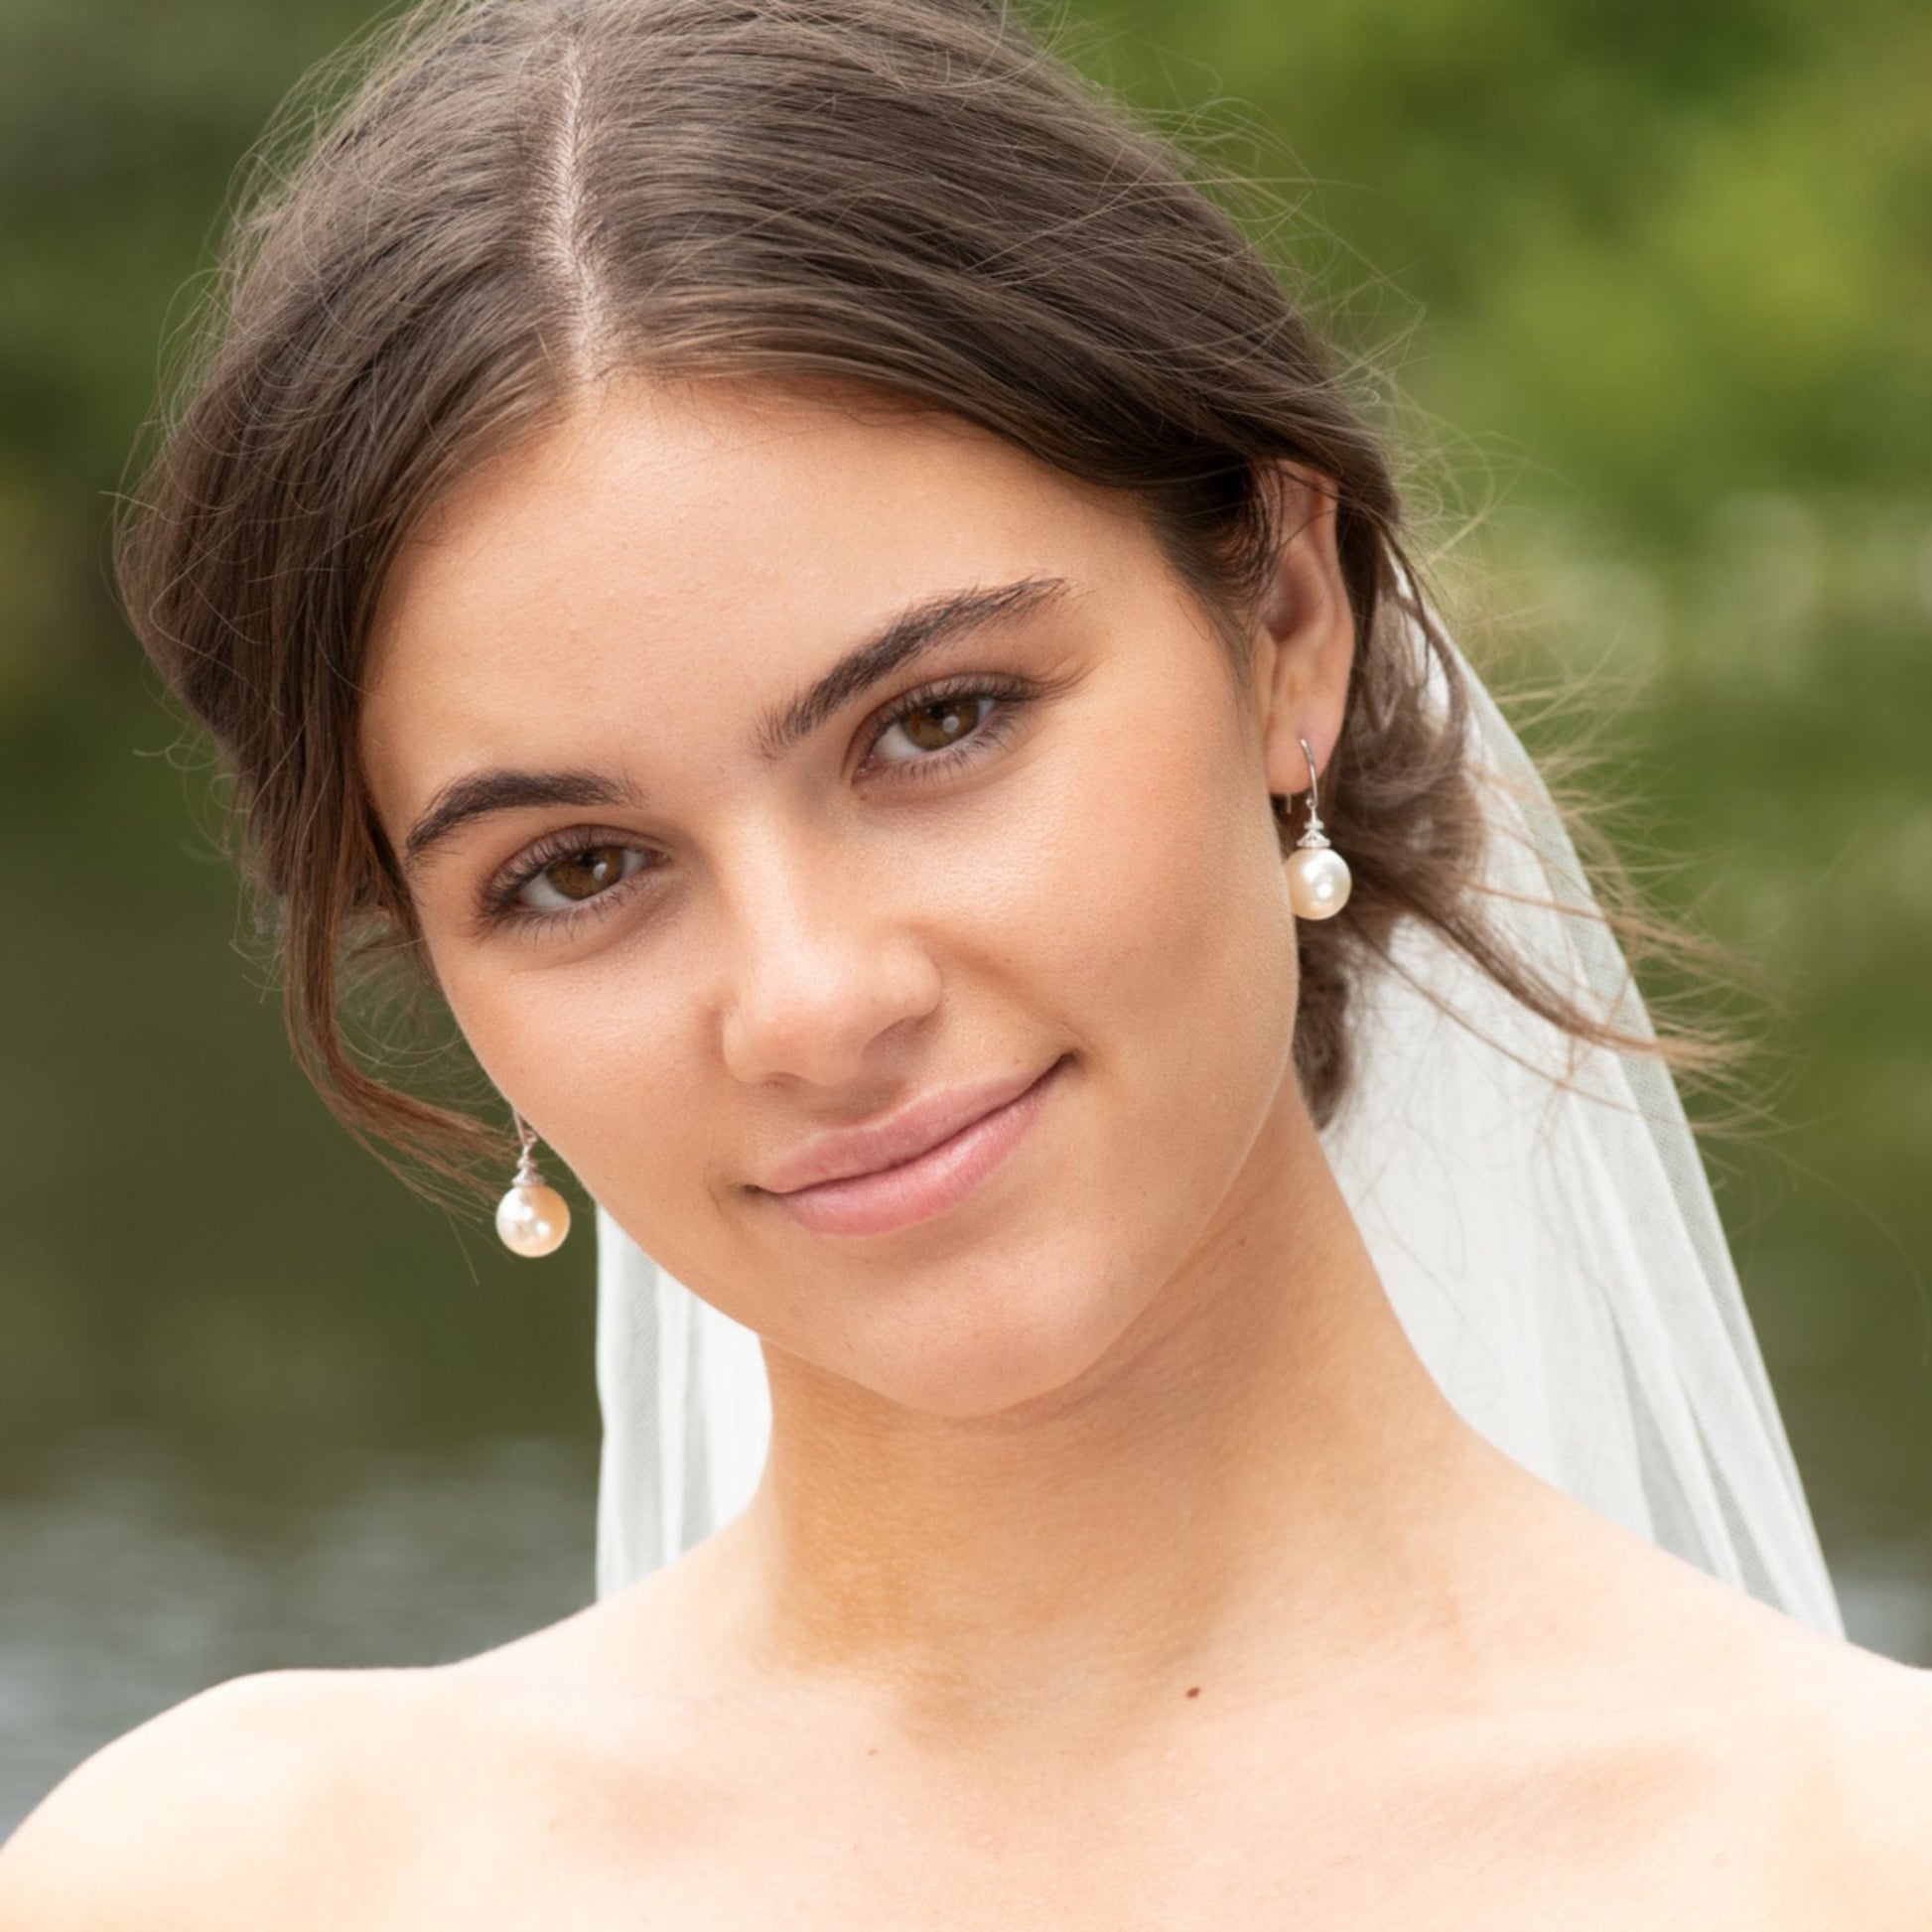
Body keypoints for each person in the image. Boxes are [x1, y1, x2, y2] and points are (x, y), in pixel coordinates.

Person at [3, 0, 1928, 1922]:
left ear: (1283, 619)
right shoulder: (229, 1882)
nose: (816, 1001)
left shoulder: (1850, 1857)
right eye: (578, 867)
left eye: (935, 725)